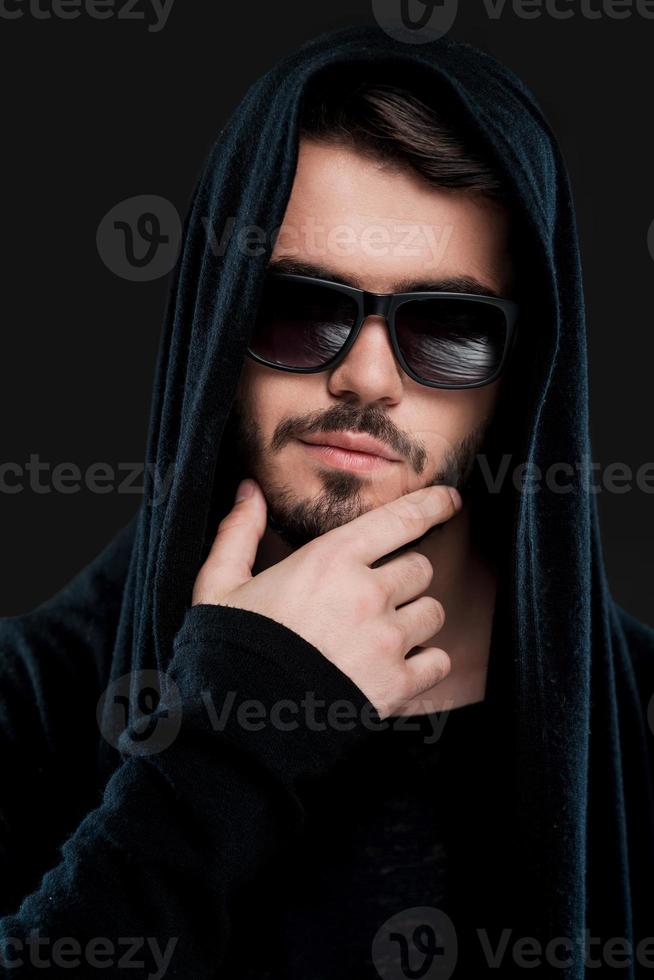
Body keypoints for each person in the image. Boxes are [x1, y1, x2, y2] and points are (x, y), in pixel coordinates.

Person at [1, 24, 653, 980]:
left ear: (520, 371)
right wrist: (229, 727)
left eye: (450, 328)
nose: (368, 375)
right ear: (220, 321)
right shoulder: (29, 700)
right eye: (301, 306)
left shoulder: (633, 717)